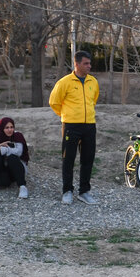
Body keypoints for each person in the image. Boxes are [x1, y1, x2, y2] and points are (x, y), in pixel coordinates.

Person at [49, 50, 99, 205]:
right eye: (86, 63)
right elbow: (54, 102)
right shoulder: (64, 82)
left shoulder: (93, 82)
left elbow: (94, 100)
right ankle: (67, 191)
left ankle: (84, 191)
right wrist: (67, 115)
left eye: (90, 63)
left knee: (88, 159)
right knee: (68, 159)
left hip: (89, 125)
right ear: (76, 64)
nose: (89, 66)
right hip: (71, 125)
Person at [0, 117, 30, 199]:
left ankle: (22, 186)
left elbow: (19, 152)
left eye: (11, 127)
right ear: (1, 128)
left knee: (12, 157)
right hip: (0, 168)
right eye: (6, 128)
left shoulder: (17, 136)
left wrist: (5, 150)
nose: (10, 130)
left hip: (15, 168)